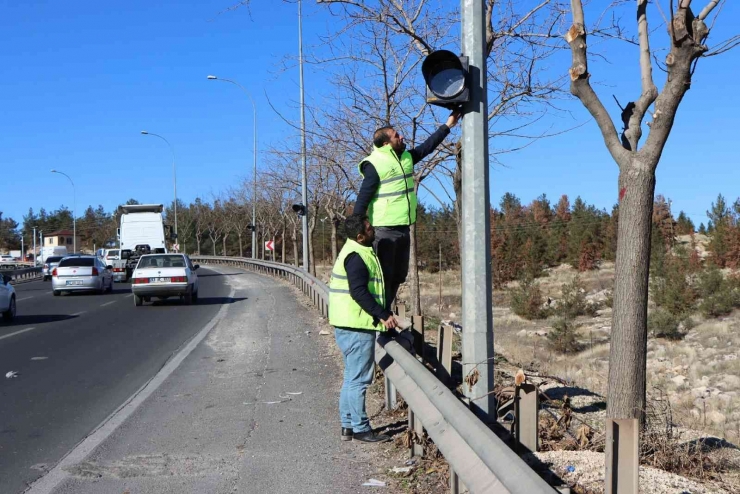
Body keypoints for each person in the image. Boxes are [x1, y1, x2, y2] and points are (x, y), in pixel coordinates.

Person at [353, 111, 461, 310]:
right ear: (386, 143)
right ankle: (379, 319)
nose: (401, 136)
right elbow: (362, 198)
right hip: (384, 230)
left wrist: (448, 125)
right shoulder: (374, 164)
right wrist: (356, 229)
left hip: (404, 227)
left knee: (398, 276)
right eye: (396, 135)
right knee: (383, 278)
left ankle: (385, 315)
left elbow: (426, 148)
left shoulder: (405, 158)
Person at [329, 214, 410, 443]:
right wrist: (383, 314)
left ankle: (347, 425)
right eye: (369, 228)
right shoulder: (356, 256)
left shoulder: (356, 249)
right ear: (360, 236)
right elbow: (359, 293)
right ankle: (361, 428)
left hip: (347, 324)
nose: (373, 230)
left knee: (351, 377)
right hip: (356, 326)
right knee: (359, 380)